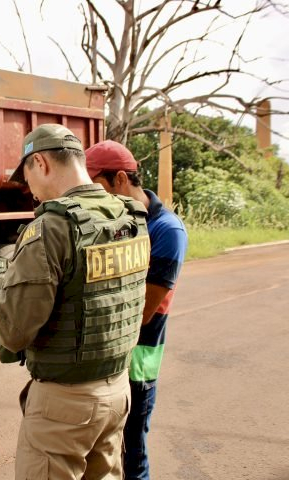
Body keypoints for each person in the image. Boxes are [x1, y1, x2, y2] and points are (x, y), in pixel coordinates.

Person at [0, 124, 150, 480]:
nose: (29, 190)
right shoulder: (130, 216)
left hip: (65, 405)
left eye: (26, 177)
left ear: (40, 162)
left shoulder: (52, 227)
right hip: (117, 390)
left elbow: (12, 332)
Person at [85, 140, 188, 480]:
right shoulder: (115, 221)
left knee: (131, 454)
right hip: (106, 360)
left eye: (95, 184)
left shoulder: (167, 230)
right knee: (100, 454)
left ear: (119, 179)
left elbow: (142, 310)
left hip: (137, 363)